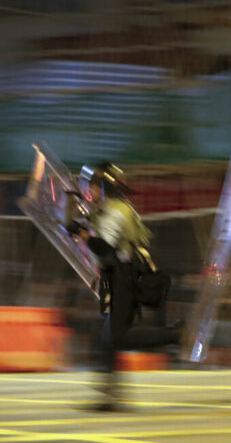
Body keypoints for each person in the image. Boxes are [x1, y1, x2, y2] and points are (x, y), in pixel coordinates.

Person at [74, 163, 182, 411]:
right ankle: (111, 397)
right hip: (123, 274)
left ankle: (175, 335)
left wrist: (84, 234)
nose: (90, 191)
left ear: (104, 186)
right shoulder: (112, 209)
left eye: (93, 186)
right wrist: (85, 224)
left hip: (125, 275)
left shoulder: (115, 211)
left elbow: (106, 248)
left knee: (118, 336)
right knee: (105, 336)